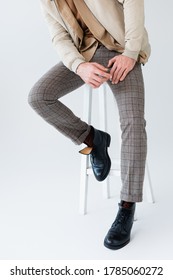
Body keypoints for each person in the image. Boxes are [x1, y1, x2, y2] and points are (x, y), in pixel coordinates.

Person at [28, 0, 151, 250]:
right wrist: (79, 66)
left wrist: (130, 53)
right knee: (39, 96)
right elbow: (59, 37)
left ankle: (127, 206)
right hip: (85, 56)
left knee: (133, 122)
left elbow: (133, 3)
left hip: (121, 50)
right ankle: (93, 139)